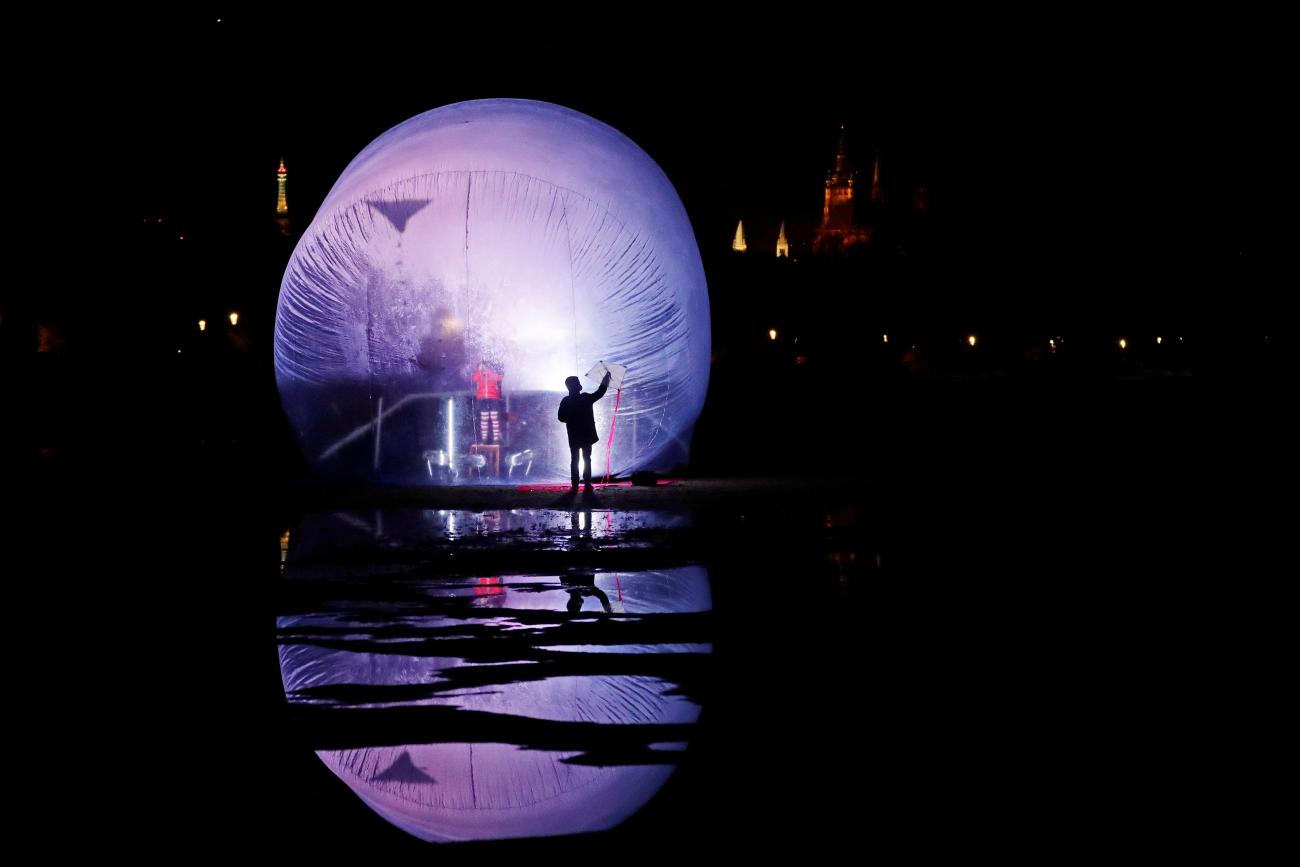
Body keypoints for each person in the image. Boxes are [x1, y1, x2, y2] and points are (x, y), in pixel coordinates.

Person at [557, 369, 611, 492]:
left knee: (575, 459)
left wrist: (571, 419)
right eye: (578, 382)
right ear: (576, 386)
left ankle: (575, 484)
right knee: (587, 458)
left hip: (573, 435)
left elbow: (561, 418)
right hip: (587, 435)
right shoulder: (586, 398)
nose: (580, 384)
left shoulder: (566, 401)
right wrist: (605, 380)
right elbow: (600, 392)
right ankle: (587, 484)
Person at [472, 360, 503, 444]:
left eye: (484, 365)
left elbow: (499, 378)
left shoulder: (492, 372)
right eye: (481, 366)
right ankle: (484, 439)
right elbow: (474, 379)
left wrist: (489, 371)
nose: (482, 367)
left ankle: (496, 439)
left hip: (493, 397)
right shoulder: (479, 374)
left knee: (494, 418)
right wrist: (479, 370)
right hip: (482, 397)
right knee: (484, 418)